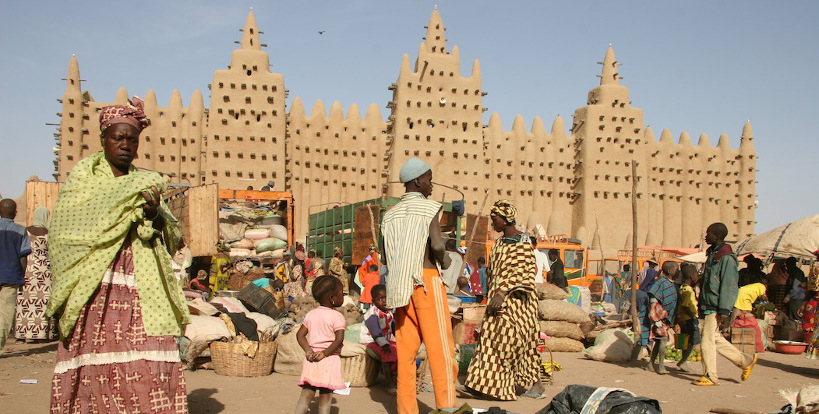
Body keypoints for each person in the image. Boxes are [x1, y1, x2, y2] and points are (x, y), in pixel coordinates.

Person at [46, 97, 190, 412]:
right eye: (118, 137)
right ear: (104, 140)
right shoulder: (84, 180)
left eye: (132, 139)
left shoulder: (145, 183)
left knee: (148, 353)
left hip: (141, 283)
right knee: (94, 351)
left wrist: (153, 215)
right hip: (94, 283)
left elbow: (171, 235)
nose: (126, 144)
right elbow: (64, 234)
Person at [382, 157, 457, 414]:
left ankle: (406, 410)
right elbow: (437, 245)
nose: (431, 184)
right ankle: (446, 408)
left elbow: (385, 258)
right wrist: (446, 261)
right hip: (425, 283)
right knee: (441, 351)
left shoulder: (389, 216)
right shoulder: (428, 208)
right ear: (417, 181)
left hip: (399, 288)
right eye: (429, 179)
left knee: (405, 355)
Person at [465, 200, 544, 400]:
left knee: (511, 342)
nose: (493, 224)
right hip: (496, 302)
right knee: (489, 341)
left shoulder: (524, 242)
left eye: (495, 219)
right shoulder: (499, 243)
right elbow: (493, 272)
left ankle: (528, 383)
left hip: (518, 302)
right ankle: (483, 384)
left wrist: (503, 292)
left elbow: (525, 273)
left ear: (506, 219)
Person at [692, 223, 757, 386]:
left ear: (717, 236)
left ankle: (711, 376)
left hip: (716, 305)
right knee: (714, 338)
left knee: (707, 340)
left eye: (709, 234)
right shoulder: (713, 254)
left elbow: (729, 285)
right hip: (709, 304)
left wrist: (724, 310)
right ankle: (745, 361)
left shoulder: (726, 257)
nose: (706, 237)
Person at [295, 275, 346, 414]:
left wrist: (308, 351)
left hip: (311, 359)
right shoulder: (337, 316)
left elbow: (300, 335)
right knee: (326, 394)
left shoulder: (311, 314)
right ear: (332, 298)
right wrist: (324, 353)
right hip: (328, 359)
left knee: (307, 392)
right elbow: (339, 339)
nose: (343, 297)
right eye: (341, 294)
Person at [15, 206, 56, 342]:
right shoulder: (50, 233)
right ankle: (39, 334)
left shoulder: (24, 232)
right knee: (42, 303)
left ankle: (23, 333)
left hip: (28, 269)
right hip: (44, 273)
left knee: (25, 303)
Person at [0, 199, 31, 355]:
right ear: (15, 213)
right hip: (11, 276)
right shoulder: (20, 231)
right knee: (5, 315)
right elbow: (23, 257)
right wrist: (22, 276)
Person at [359, 284, 397, 395]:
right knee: (386, 352)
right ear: (373, 301)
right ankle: (389, 382)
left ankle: (395, 375)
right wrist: (384, 344)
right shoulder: (372, 314)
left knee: (398, 350)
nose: (384, 301)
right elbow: (375, 332)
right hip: (371, 340)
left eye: (386, 298)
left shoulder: (389, 312)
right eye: (380, 299)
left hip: (385, 340)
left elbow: (395, 328)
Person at [643, 261, 679, 375]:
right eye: (676, 269)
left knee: (659, 342)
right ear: (669, 271)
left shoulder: (671, 283)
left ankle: (650, 364)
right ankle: (661, 366)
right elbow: (653, 300)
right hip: (658, 316)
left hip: (665, 317)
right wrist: (656, 319)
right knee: (663, 341)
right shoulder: (661, 282)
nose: (677, 271)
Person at [676, 264, 701, 372]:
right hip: (690, 319)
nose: (697, 277)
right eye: (696, 274)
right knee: (694, 341)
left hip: (684, 319)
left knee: (686, 342)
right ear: (691, 276)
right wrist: (693, 315)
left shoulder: (681, 288)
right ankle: (682, 361)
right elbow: (686, 305)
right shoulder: (688, 291)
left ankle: (683, 362)